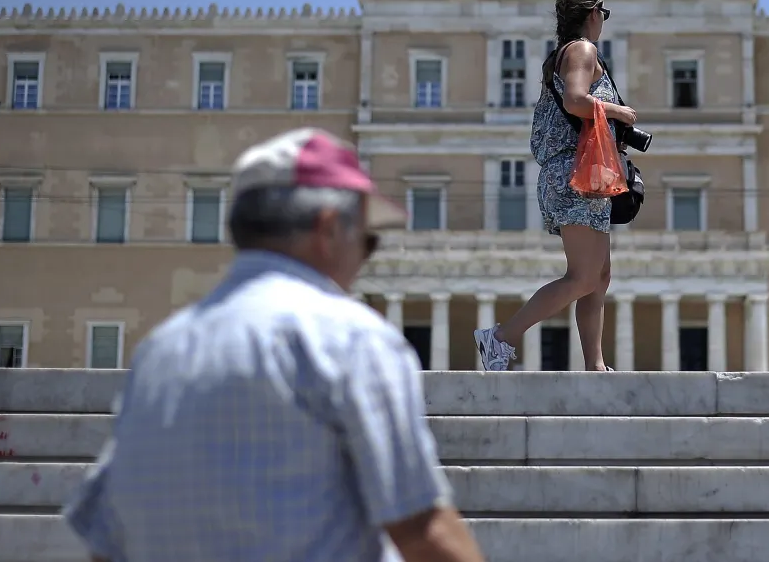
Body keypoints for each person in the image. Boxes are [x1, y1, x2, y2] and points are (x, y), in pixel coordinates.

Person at [63, 127, 485, 562]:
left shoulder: (158, 351)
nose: (366, 257)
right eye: (368, 239)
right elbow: (421, 531)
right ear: (327, 229)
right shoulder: (350, 338)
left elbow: (105, 543)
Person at [474, 0, 636, 372]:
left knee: (600, 275)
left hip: (583, 174)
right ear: (593, 13)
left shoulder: (564, 52)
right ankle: (500, 338)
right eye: (604, 13)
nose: (603, 21)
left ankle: (595, 364)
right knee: (582, 277)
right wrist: (619, 112)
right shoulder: (582, 49)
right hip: (573, 173)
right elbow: (576, 100)